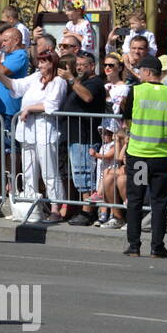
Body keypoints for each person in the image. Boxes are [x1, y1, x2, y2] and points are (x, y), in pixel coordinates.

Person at [0, 52, 67, 222]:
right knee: (28, 169)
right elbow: (15, 86)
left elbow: (52, 104)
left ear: (52, 64)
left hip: (45, 128)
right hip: (27, 129)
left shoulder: (58, 82)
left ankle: (56, 207)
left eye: (43, 63)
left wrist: (29, 108)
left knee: (49, 170)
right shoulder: (35, 77)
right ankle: (31, 205)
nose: (40, 66)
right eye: (39, 62)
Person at [120, 55, 167, 258]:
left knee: (136, 200)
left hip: (138, 156)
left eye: (140, 71)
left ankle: (134, 245)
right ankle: (157, 247)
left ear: (147, 72)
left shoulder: (136, 91)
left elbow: (127, 120)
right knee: (159, 202)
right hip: (162, 156)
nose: (138, 74)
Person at [61, 50, 107, 225]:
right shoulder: (82, 81)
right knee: (79, 174)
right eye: (77, 65)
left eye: (83, 65)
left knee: (85, 173)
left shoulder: (95, 82)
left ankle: (88, 212)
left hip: (85, 135)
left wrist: (72, 79)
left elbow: (87, 97)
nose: (79, 68)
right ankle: (84, 208)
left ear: (92, 66)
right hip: (75, 134)